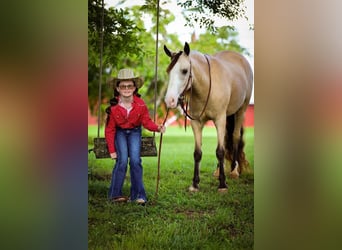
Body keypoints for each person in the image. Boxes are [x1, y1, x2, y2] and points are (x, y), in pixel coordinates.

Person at [105, 68, 166, 205]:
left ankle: (138, 195)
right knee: (121, 161)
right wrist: (112, 150)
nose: (126, 89)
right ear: (118, 88)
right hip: (120, 133)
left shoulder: (140, 104)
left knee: (135, 161)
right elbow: (109, 130)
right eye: (123, 86)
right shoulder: (114, 107)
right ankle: (115, 194)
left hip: (134, 132)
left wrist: (157, 127)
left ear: (134, 87)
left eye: (130, 86)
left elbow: (146, 121)